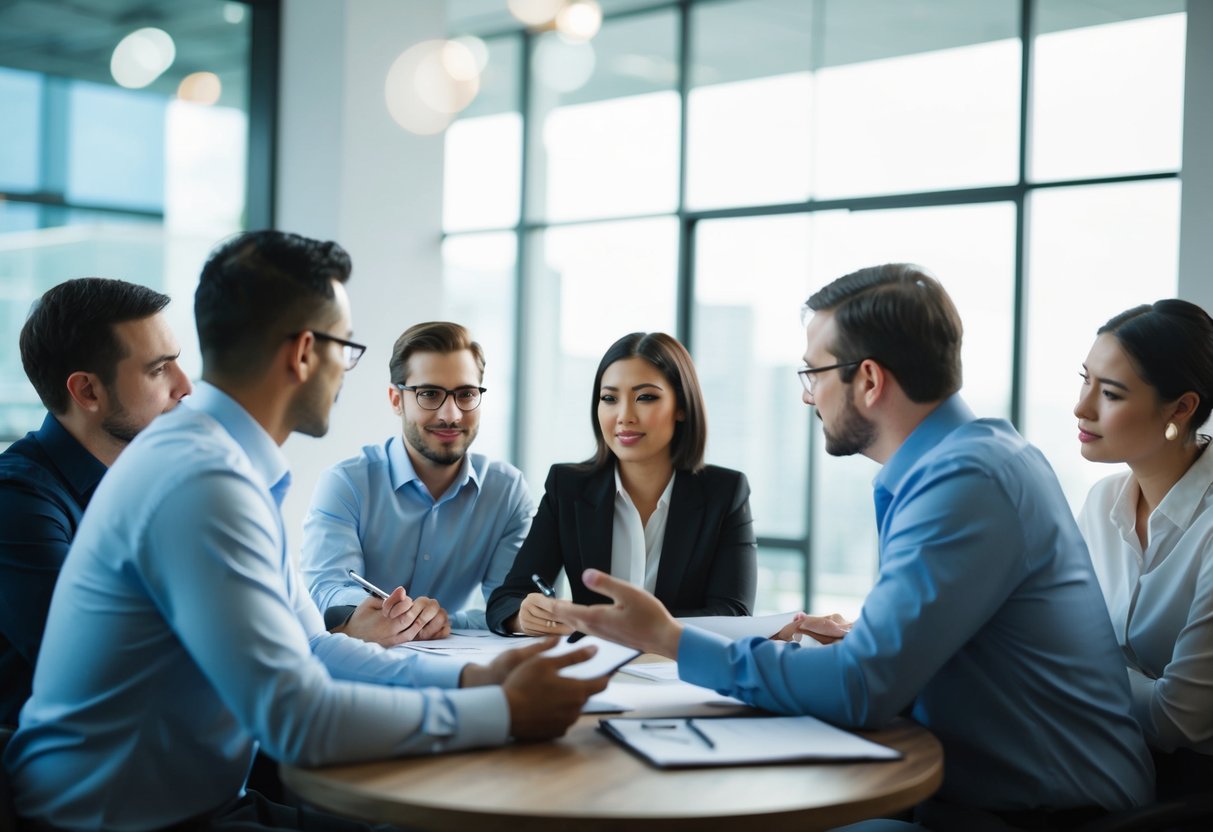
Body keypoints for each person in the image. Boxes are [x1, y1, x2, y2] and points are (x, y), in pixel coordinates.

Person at [2, 231, 606, 832]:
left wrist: (475, 677)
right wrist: (503, 711)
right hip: (114, 823)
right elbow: (296, 719)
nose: (345, 372)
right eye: (346, 350)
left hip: (183, 803)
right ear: (303, 354)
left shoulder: (221, 463)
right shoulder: (202, 479)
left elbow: (312, 646)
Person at [552, 265, 1155, 830]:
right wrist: (865, 642)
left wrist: (669, 638)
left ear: (868, 380)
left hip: (1053, 816)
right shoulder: (970, 461)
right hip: (989, 794)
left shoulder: (965, 482)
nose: (807, 396)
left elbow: (859, 689)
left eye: (813, 374)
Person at [0, 277, 191, 726]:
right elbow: (109, 660)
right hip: (79, 776)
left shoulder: (153, 485)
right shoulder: (17, 504)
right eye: (159, 369)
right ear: (87, 391)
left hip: (169, 742)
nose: (185, 387)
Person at [486, 331, 756, 637]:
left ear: (681, 406)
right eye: (609, 398)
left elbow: (734, 613)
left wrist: (629, 627)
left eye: (645, 397)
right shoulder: (568, 487)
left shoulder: (724, 492)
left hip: (681, 673)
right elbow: (506, 599)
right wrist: (523, 616)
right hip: (592, 673)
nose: (624, 416)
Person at [302, 321, 534, 644]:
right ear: (396, 400)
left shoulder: (506, 492)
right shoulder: (345, 485)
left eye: (466, 394)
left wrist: (445, 622)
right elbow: (327, 593)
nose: (451, 415)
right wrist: (383, 617)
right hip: (361, 670)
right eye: (429, 394)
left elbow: (507, 606)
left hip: (458, 670)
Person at [1074, 299, 1213, 799]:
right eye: (1084, 379)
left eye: (1109, 393)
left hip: (1190, 793)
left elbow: (1179, 720)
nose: (1081, 408)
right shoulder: (1102, 503)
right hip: (1103, 758)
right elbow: (1057, 636)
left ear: (1181, 408)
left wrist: (1075, 667)